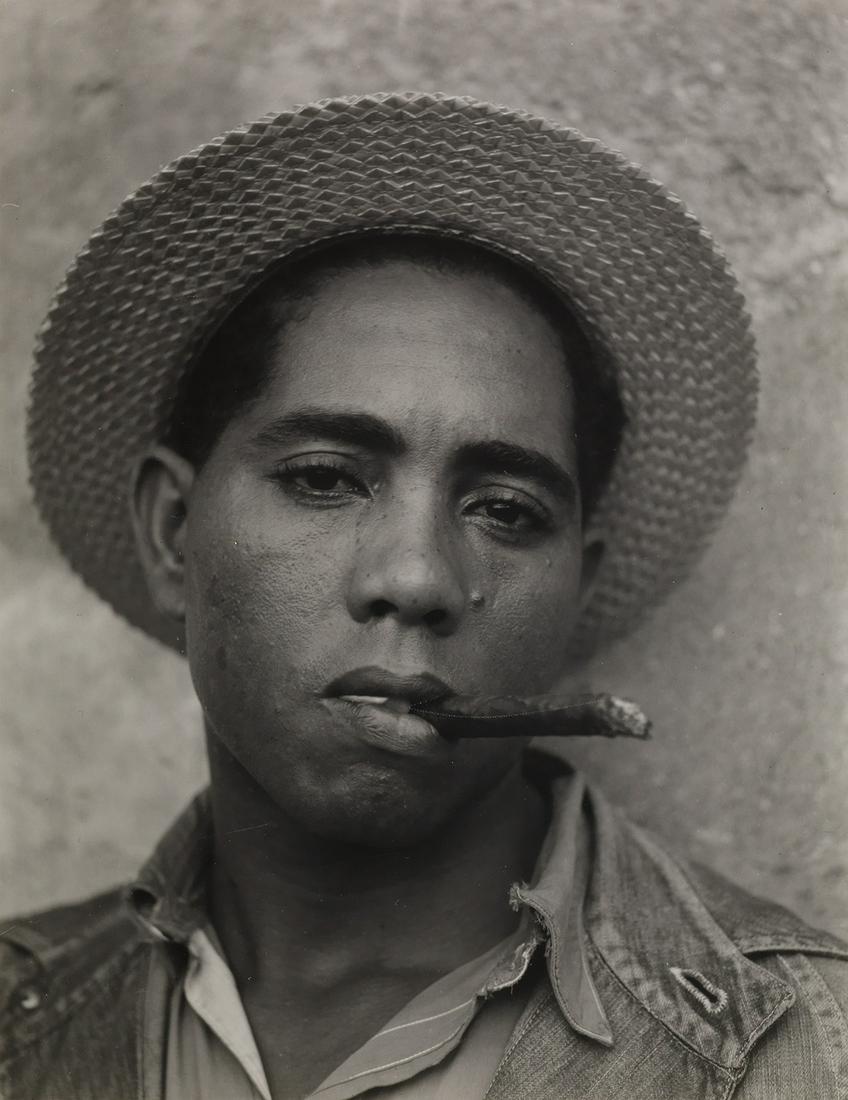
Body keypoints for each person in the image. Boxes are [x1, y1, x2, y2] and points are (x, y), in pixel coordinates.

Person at [2, 92, 846, 1100]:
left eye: (503, 509)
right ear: (172, 531)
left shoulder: (799, 1054)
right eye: (324, 477)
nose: (415, 578)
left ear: (576, 581)